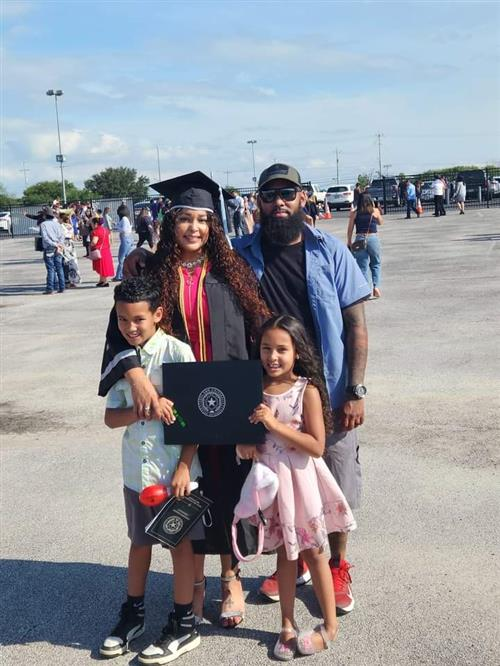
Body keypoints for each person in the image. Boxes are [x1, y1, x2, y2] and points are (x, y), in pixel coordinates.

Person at [98, 171, 271, 629]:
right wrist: (134, 374)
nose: (194, 228)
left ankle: (230, 577)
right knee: (191, 492)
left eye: (202, 220)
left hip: (227, 400)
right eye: (185, 220)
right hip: (174, 402)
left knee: (229, 489)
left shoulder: (234, 273)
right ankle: (192, 589)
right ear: (170, 224)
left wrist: (255, 412)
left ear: (213, 226)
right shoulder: (152, 273)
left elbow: (258, 336)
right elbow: (120, 330)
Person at [232, 163, 370, 614]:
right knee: (277, 484)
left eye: (287, 194)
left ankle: (336, 564)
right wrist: (143, 259)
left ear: (302, 198)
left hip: (326, 390)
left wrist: (355, 389)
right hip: (269, 392)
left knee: (336, 480)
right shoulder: (239, 253)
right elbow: (187, 257)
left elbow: (356, 326)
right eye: (269, 195)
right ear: (257, 202)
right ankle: (292, 561)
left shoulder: (330, 251)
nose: (278, 203)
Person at [238, 315, 356, 658]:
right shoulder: (252, 386)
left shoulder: (307, 390)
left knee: (315, 553)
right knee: (284, 555)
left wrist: (274, 424)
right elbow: (246, 433)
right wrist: (242, 444)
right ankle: (286, 624)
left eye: (281, 349)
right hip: (271, 484)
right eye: (265, 348)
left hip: (301, 481)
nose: (272, 357)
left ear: (297, 352)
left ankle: (329, 626)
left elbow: (317, 445)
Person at [100, 277, 202, 664]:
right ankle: (133, 614)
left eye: (139, 319)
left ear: (158, 315)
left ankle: (183, 623)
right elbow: (111, 418)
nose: (131, 328)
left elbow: (196, 419)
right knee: (139, 543)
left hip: (174, 474)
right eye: (123, 320)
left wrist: (184, 466)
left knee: (179, 546)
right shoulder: (122, 361)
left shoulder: (177, 353)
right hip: (136, 472)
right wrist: (143, 407)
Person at [347, 193, 384, 299]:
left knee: (362, 266)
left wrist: (349, 241)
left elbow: (350, 229)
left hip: (359, 239)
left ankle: (365, 291)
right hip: (372, 238)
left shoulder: (354, 213)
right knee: (375, 263)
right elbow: (381, 222)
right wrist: (377, 215)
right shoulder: (374, 211)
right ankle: (376, 286)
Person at [39, 207, 66, 294]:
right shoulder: (57, 224)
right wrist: (59, 245)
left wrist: (55, 244)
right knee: (59, 267)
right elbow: (62, 236)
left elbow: (45, 238)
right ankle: (62, 287)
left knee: (50, 269)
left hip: (49, 248)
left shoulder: (43, 224)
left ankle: (50, 288)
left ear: (45, 215)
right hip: (58, 248)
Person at [90, 216, 115, 287]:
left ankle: (104, 281)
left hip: (99, 251)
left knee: (101, 266)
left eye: (92, 224)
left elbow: (94, 242)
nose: (91, 225)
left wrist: (91, 244)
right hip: (106, 250)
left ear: (96, 224)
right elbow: (110, 241)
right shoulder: (106, 230)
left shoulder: (96, 231)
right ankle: (101, 280)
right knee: (104, 266)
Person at [114, 204, 134, 281]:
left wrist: (117, 227)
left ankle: (119, 276)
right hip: (129, 239)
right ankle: (128, 274)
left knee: (121, 259)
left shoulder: (124, 219)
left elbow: (124, 230)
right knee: (128, 258)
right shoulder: (128, 218)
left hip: (125, 239)